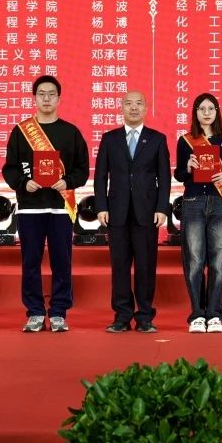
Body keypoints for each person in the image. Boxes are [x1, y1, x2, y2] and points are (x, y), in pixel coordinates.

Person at [2, 75, 90, 332]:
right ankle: (35, 312)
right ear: (34, 98)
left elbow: (82, 169)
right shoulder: (21, 132)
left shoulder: (71, 132)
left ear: (59, 99)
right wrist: (23, 183)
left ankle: (59, 311)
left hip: (61, 207)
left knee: (62, 260)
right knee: (30, 261)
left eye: (51, 94)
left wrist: (68, 181)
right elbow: (10, 168)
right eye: (42, 94)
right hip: (30, 207)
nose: (47, 98)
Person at [93, 90, 171, 333]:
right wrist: (101, 206)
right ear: (122, 108)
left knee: (146, 266)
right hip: (116, 211)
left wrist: (162, 207)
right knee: (120, 266)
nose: (134, 108)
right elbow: (100, 176)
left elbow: (164, 177)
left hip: (147, 212)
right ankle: (122, 316)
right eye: (129, 103)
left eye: (139, 104)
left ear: (146, 109)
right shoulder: (110, 139)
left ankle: (145, 316)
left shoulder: (157, 139)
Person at [175, 93, 222, 333]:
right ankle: (197, 314)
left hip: (219, 203)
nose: (206, 113)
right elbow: (179, 175)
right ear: (195, 112)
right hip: (193, 201)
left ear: (217, 111)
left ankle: (214, 314)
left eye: (210, 108)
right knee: (194, 260)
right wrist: (188, 168)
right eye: (201, 109)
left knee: (218, 261)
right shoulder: (186, 140)